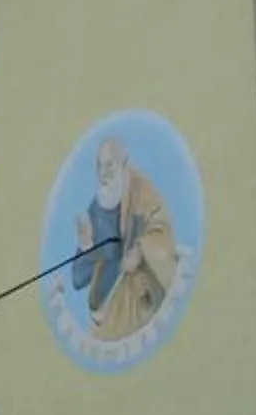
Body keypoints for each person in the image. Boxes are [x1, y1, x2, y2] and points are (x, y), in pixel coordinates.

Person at [69, 135, 179, 343]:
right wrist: (86, 247)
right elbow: (78, 278)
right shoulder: (99, 206)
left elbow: (162, 231)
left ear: (124, 164)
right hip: (108, 314)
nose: (103, 174)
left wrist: (140, 248)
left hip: (142, 303)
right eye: (99, 167)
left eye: (109, 165)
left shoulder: (143, 192)